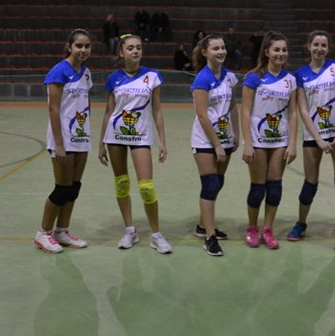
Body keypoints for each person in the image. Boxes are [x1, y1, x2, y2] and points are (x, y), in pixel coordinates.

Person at [97, 34, 172, 254]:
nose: (135, 51)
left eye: (138, 47)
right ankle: (130, 230)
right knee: (121, 184)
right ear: (121, 52)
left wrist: (162, 141)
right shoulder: (114, 79)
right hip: (115, 136)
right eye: (130, 48)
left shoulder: (152, 76)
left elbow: (157, 110)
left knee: (146, 187)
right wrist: (101, 143)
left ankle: (156, 234)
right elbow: (109, 112)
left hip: (141, 136)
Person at [286, 31, 335, 250]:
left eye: (323, 45)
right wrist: (319, 139)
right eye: (316, 44)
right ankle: (301, 223)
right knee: (310, 182)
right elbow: (303, 110)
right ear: (309, 46)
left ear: (328, 48)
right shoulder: (300, 75)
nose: (319, 49)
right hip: (313, 136)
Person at [34, 29, 94, 254]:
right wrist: (59, 145)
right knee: (61, 189)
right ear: (69, 47)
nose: (83, 50)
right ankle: (43, 233)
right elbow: (53, 109)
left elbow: (84, 106)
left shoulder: (86, 72)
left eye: (87, 46)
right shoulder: (58, 71)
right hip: (63, 139)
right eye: (79, 45)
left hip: (81, 138)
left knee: (74, 189)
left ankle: (62, 231)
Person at [241, 31, 298, 249]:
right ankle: (252, 228)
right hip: (257, 141)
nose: (281, 53)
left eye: (284, 50)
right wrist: (248, 143)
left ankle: (267, 229)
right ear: (266, 52)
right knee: (258, 188)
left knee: (274, 188)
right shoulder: (254, 77)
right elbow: (245, 111)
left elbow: (293, 113)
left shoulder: (290, 80)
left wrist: (292, 143)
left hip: (279, 141)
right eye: (276, 50)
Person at [190, 34, 240, 256]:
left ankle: (203, 225)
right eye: (215, 48)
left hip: (225, 137)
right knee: (210, 184)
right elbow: (202, 115)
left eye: (223, 48)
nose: (221, 52)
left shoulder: (230, 77)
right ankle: (209, 237)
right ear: (205, 52)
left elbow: (233, 106)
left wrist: (236, 133)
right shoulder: (202, 79)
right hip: (204, 140)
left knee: (218, 182)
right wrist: (217, 144)